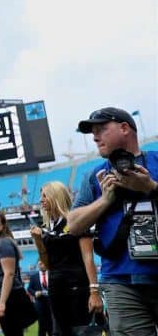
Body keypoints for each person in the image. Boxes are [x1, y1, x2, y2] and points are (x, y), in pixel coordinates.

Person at [67, 107, 158, 335]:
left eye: (102, 129)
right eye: (93, 132)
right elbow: (74, 225)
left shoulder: (156, 161)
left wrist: (150, 188)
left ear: (125, 128)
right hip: (121, 281)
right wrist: (105, 200)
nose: (95, 137)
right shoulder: (95, 175)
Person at [31, 181, 103, 336]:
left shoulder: (76, 221)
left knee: (82, 331)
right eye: (40, 196)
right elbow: (47, 264)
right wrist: (38, 241)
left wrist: (94, 291)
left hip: (77, 287)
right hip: (56, 289)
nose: (41, 200)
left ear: (56, 196)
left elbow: (88, 257)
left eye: (45, 195)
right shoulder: (48, 227)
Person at [0, 210, 35, 336]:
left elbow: (9, 274)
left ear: (3, 224)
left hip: (9, 298)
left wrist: (1, 303)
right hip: (4, 296)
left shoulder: (4, 243)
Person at [26, 260, 53, 336]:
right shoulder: (34, 276)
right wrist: (35, 293)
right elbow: (29, 288)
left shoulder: (52, 274)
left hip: (51, 302)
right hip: (39, 303)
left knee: (52, 323)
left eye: (43, 263)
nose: (42, 265)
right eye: (40, 264)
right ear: (38, 265)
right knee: (41, 324)